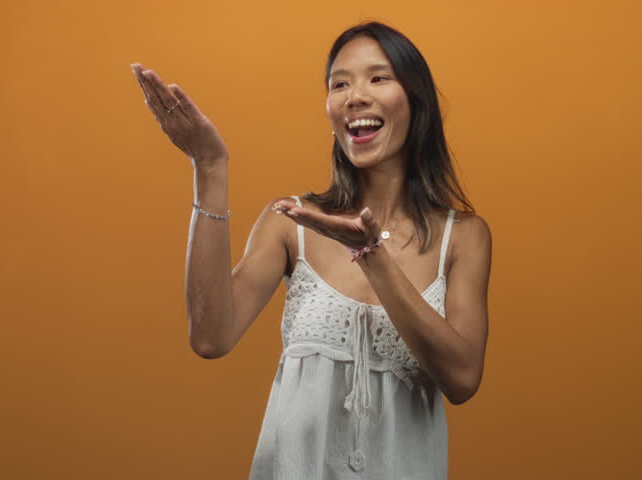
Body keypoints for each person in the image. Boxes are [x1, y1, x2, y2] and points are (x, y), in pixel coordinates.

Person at [131, 21, 491, 480]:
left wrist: (371, 256)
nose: (354, 96)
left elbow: (462, 379)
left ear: (415, 100)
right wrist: (209, 166)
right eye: (339, 84)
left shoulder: (465, 237)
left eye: (377, 78)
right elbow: (210, 336)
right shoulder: (291, 223)